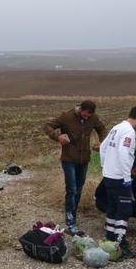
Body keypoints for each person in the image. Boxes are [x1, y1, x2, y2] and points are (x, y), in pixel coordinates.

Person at [43, 100, 107, 236]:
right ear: (80, 109)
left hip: (84, 159)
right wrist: (58, 136)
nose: (87, 117)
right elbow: (47, 125)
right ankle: (70, 223)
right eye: (85, 115)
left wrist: (103, 142)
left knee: (78, 189)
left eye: (90, 116)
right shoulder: (67, 116)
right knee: (71, 189)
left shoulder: (93, 117)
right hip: (69, 159)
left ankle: (73, 214)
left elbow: (102, 129)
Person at [100, 105, 136, 259]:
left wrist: (105, 166)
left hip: (109, 175)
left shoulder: (117, 127)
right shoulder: (129, 131)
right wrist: (127, 177)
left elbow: (103, 147)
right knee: (124, 209)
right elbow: (123, 153)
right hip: (119, 177)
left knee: (113, 206)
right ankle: (120, 242)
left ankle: (110, 235)